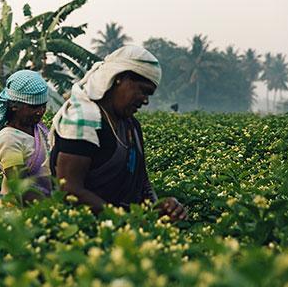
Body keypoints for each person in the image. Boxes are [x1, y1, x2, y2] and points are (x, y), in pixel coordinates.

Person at [50, 45, 186, 220]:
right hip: (80, 230)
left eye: (149, 94)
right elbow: (69, 189)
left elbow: (143, 183)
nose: (145, 101)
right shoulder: (83, 120)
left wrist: (161, 207)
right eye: (143, 90)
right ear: (119, 78)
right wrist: (124, 219)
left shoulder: (131, 126)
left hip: (121, 229)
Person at [0, 70, 51, 201]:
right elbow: (20, 188)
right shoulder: (8, 138)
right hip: (20, 211)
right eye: (34, 107)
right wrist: (53, 206)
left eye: (43, 106)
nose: (40, 112)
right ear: (14, 106)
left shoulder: (38, 128)